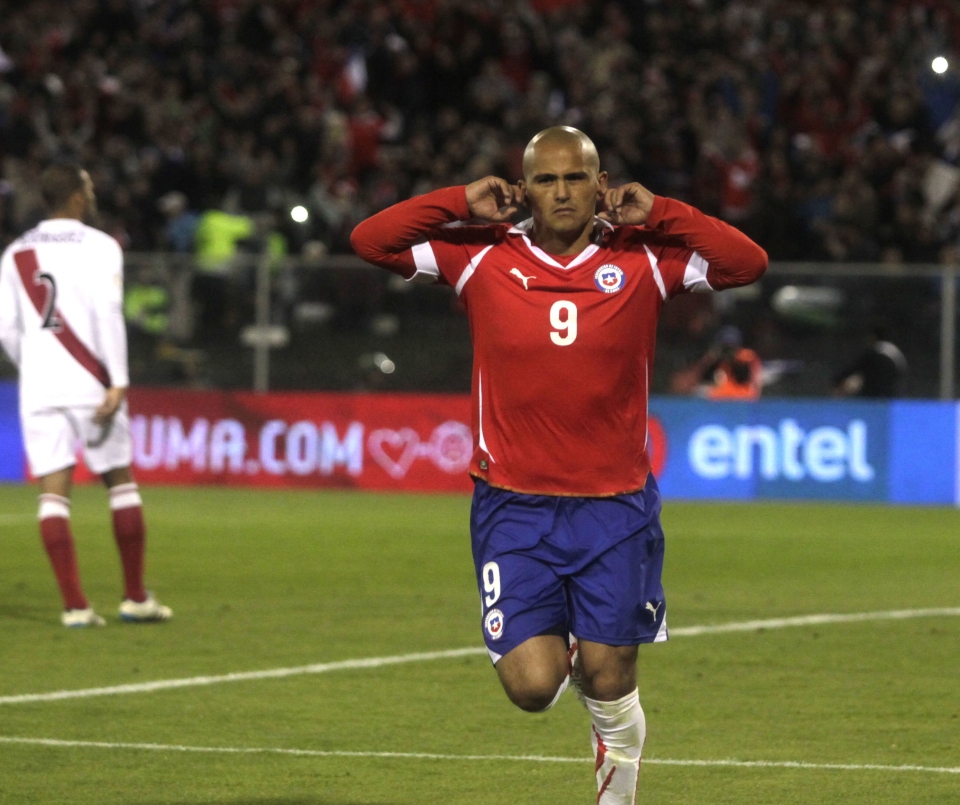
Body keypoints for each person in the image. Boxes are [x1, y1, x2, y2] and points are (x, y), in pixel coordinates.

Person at [351, 126, 767, 803]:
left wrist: (661, 210)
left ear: (601, 184)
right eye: (546, 179)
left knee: (610, 675)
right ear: (524, 188)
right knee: (532, 687)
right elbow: (371, 241)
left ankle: (617, 792)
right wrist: (459, 199)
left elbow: (747, 263)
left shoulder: (644, 258)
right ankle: (577, 643)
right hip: (513, 507)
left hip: (615, 508)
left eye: (576, 177)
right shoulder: (480, 256)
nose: (563, 191)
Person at [0, 164, 172, 627]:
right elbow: (107, 313)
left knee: (53, 494)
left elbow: (5, 330)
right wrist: (117, 379)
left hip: (39, 385)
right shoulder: (101, 246)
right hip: (92, 382)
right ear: (77, 198)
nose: (93, 195)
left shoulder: (16, 252)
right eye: (90, 188)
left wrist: (36, 364)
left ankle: (75, 606)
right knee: (121, 482)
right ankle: (135, 597)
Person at [833, 324, 907, 398]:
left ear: (873, 337)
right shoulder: (895, 352)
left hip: (873, 394)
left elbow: (856, 367)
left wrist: (837, 380)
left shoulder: (873, 353)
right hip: (891, 393)